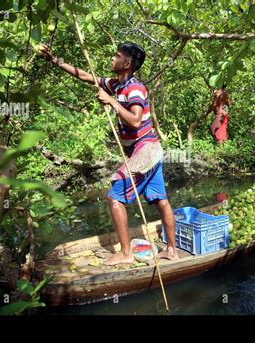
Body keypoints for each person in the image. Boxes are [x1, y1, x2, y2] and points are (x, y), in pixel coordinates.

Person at [38, 42, 179, 265]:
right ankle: (171, 250)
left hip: (145, 151)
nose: (112, 58)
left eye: (117, 55)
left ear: (127, 63)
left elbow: (134, 120)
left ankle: (126, 253)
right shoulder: (116, 84)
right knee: (161, 200)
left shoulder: (134, 88)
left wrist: (111, 101)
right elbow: (85, 76)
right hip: (150, 150)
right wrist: (55, 60)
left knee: (114, 197)